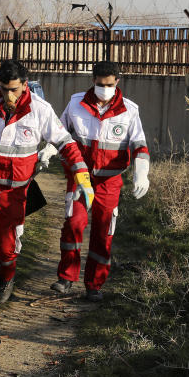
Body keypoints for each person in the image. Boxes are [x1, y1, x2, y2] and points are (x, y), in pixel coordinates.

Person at [0, 59, 93, 325]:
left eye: (14, 89)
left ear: (25, 85)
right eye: (4, 88)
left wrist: (82, 175)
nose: (9, 95)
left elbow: (66, 143)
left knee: (7, 248)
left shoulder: (39, 110)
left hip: (15, 193)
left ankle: (6, 277)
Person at [51, 61, 149, 302]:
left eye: (109, 84)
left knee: (104, 230)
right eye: (99, 83)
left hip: (110, 180)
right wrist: (49, 151)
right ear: (92, 80)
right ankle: (66, 277)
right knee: (74, 223)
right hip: (80, 176)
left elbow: (139, 144)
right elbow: (61, 132)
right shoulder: (76, 104)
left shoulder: (129, 110)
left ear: (117, 81)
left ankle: (94, 285)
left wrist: (141, 172)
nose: (104, 88)